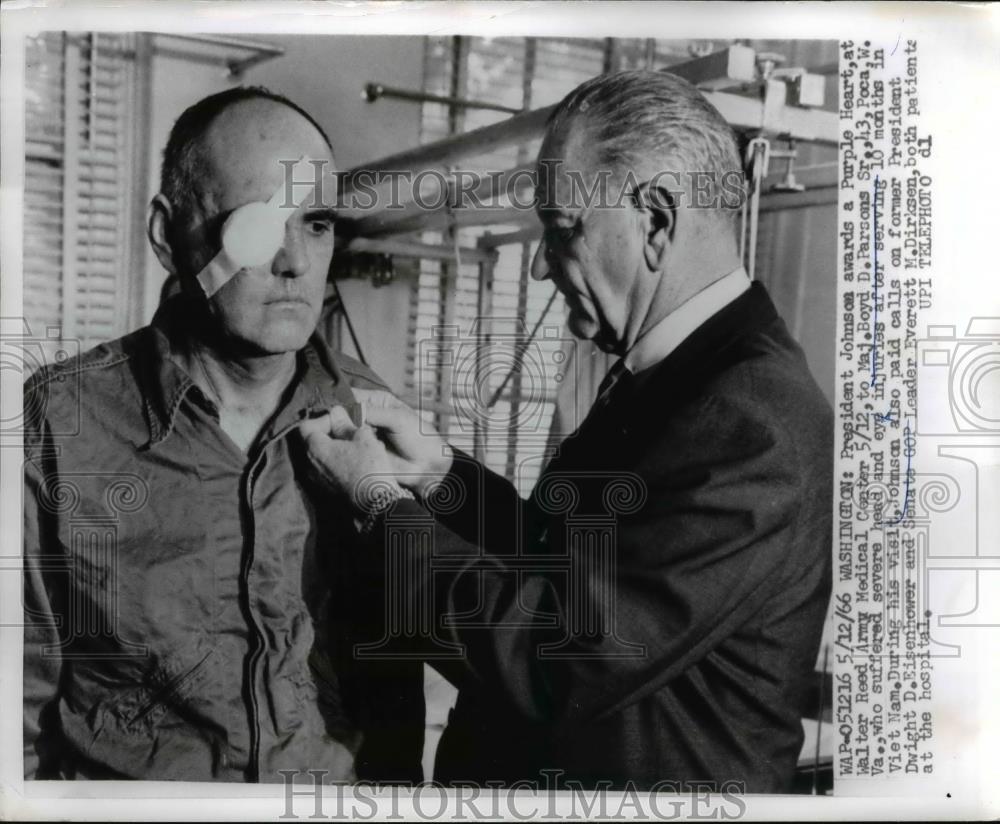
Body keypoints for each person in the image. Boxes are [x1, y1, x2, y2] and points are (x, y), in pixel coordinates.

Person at [300, 70, 833, 792]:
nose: (544, 270)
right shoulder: (674, 376)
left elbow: (553, 656)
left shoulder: (750, 420)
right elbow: (568, 570)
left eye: (561, 229)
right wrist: (440, 478)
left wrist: (377, 501)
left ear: (655, 219)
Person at [22, 86, 423, 782]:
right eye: (258, 228)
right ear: (166, 236)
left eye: (318, 224)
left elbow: (394, 707)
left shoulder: (373, 420)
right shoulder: (59, 423)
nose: (295, 262)